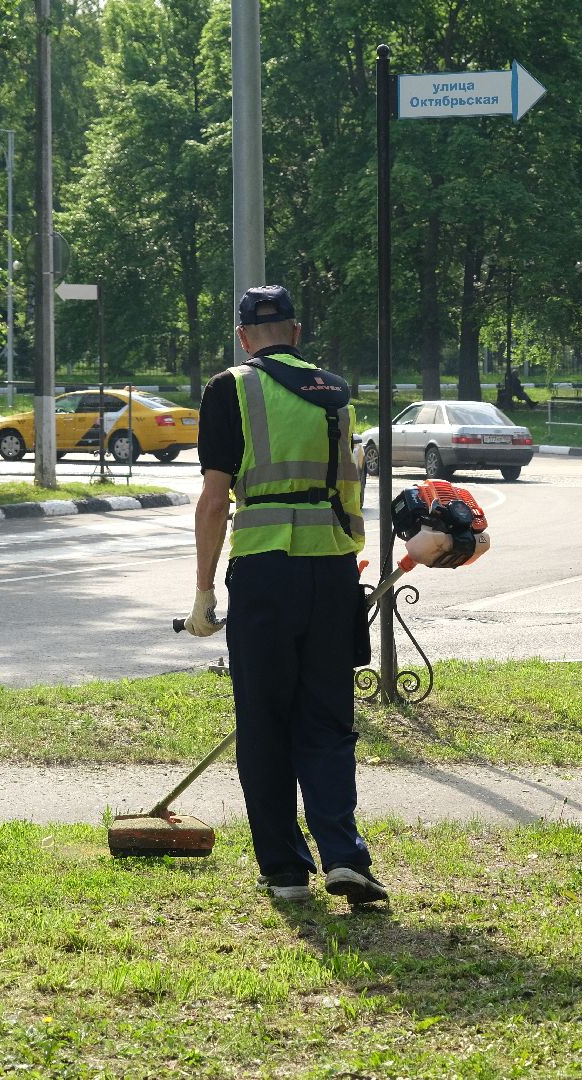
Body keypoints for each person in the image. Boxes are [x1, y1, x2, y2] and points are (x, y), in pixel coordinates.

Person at [185, 284, 387, 906]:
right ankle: (345, 855)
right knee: (327, 718)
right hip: (331, 574)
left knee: (264, 722)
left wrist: (201, 594)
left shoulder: (232, 388)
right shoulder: (336, 394)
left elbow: (216, 500)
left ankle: (285, 871)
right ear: (297, 334)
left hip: (264, 573)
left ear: (244, 338)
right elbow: (349, 492)